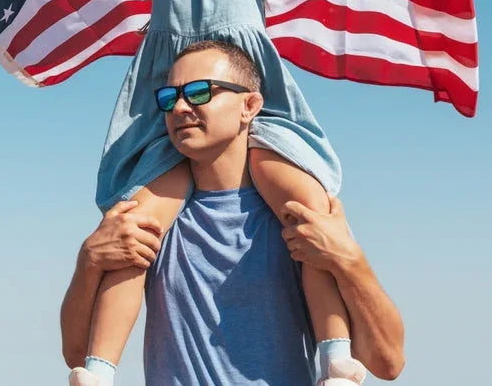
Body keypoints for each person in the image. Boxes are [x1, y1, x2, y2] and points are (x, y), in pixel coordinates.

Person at [0, 0, 434, 386]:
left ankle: (335, 354)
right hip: (169, 116)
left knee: (307, 213)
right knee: (133, 227)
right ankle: (97, 370)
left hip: (253, 112)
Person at [60, 41, 405, 384]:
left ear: (250, 105)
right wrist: (88, 261)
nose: (180, 107)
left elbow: (387, 364)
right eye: (169, 98)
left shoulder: (299, 213)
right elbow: (77, 357)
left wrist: (351, 262)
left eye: (198, 93)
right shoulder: (148, 217)